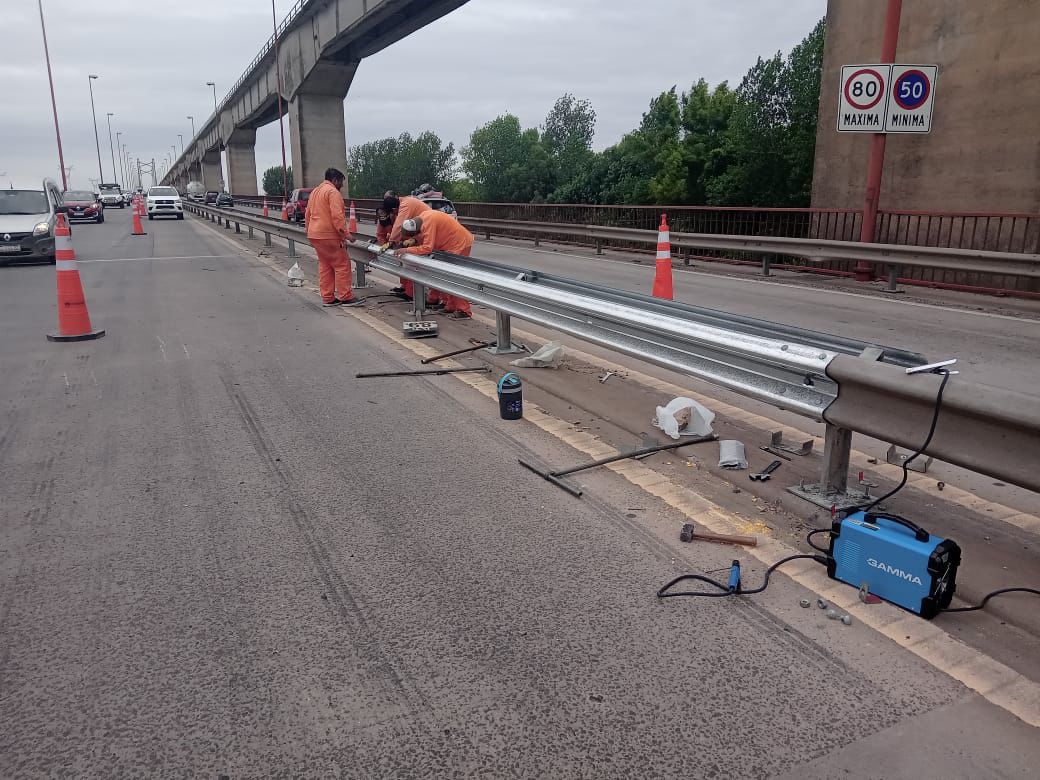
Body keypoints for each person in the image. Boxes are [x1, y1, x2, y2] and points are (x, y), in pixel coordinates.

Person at [395, 212, 475, 318]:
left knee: (454, 277)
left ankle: (464, 310)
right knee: (443, 275)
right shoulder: (422, 217)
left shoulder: (427, 224)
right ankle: (449, 305)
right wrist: (414, 240)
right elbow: (423, 236)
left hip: (458, 244)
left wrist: (407, 250)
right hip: (449, 244)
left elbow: (427, 248)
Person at [305, 168, 362, 307]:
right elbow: (337, 216)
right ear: (335, 180)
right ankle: (345, 296)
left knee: (326, 266)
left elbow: (308, 214)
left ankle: (328, 297)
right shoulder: (332, 192)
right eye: (341, 182)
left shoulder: (315, 192)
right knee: (342, 264)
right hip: (329, 235)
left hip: (315, 234)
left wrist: (309, 231)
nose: (342, 186)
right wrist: (346, 234)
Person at [381, 193, 440, 306]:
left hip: (424, 234)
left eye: (393, 212)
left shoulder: (406, 205)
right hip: (417, 234)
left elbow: (399, 225)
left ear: (394, 208)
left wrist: (392, 241)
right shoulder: (405, 202)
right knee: (406, 261)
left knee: (413, 263)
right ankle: (407, 288)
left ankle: (412, 293)